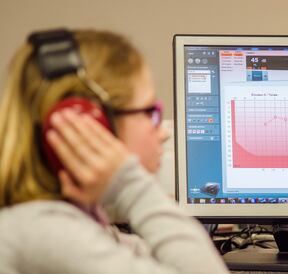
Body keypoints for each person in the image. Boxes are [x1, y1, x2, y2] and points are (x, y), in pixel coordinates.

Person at [0, 29, 229, 274]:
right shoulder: (44, 234)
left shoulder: (82, 227)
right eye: (149, 112)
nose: (163, 132)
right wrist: (132, 187)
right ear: (92, 124)